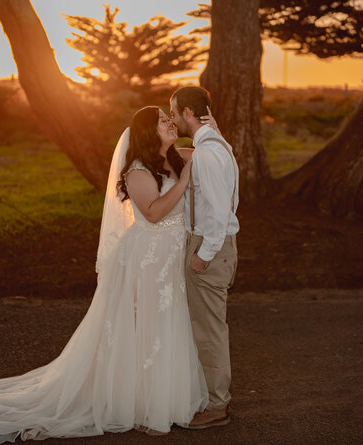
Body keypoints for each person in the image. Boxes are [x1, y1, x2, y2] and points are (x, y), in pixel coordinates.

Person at [0, 106, 215, 442]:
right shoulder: (138, 170)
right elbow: (153, 213)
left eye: (170, 120)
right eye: (163, 121)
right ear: (146, 132)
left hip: (170, 258)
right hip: (147, 259)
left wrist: (212, 128)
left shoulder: (178, 156)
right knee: (146, 325)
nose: (171, 124)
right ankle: (136, 402)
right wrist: (184, 182)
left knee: (167, 322)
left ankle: (162, 397)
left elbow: (211, 151)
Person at [170, 86, 239, 429]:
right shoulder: (212, 145)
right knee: (206, 326)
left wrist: (204, 254)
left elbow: (217, 209)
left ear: (187, 112)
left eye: (174, 112)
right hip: (212, 243)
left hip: (211, 246)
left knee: (209, 330)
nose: (172, 119)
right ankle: (213, 398)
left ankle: (217, 406)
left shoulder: (209, 153)